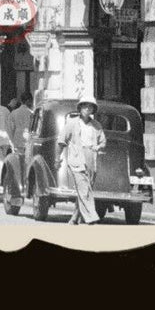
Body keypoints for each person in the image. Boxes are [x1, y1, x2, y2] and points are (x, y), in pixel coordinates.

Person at [58, 96, 107, 225]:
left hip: (91, 158)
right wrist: (58, 159)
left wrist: (98, 146)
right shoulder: (72, 123)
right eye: (84, 106)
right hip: (76, 158)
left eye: (90, 107)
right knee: (84, 188)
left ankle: (74, 218)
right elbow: (62, 141)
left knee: (85, 189)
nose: (87, 109)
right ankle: (91, 218)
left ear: (93, 110)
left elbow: (103, 141)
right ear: (80, 108)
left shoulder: (96, 125)